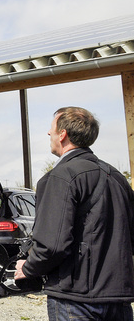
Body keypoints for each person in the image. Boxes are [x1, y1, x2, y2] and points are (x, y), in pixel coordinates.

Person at [15, 107, 134, 320]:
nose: (48, 134)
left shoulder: (61, 176)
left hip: (75, 299)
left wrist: (28, 268)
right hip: (118, 298)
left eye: (51, 129)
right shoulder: (117, 178)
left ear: (63, 134)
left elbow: (52, 246)